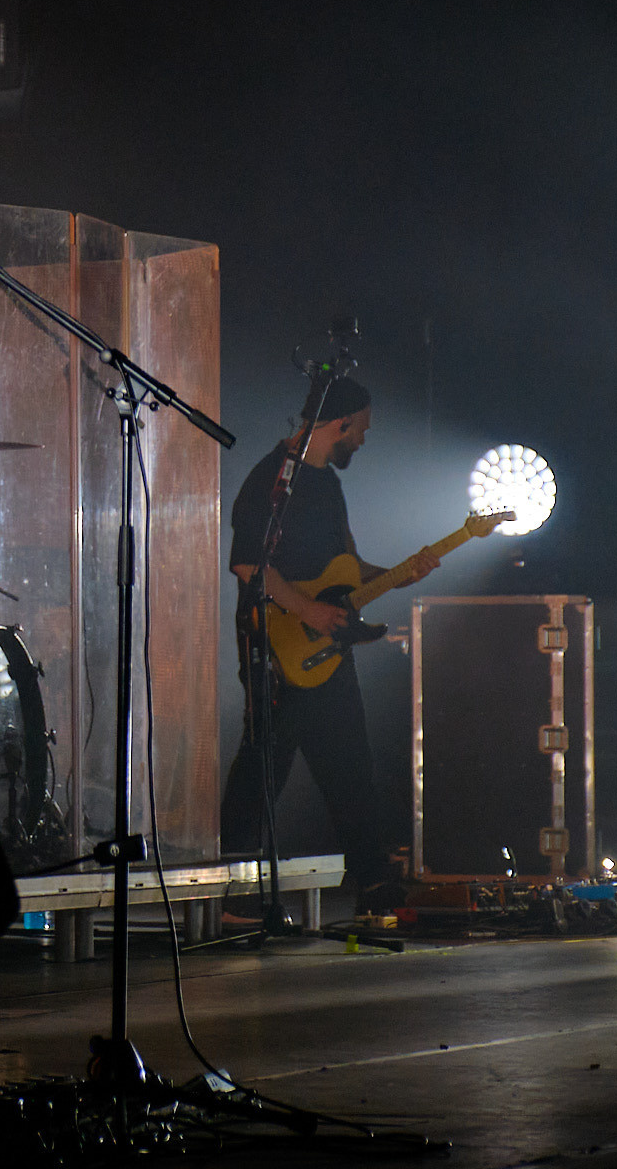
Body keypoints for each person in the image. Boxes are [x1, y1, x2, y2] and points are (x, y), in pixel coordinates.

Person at [219, 379, 437, 894]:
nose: (362, 441)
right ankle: (229, 891)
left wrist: (399, 573)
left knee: (350, 769)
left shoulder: (328, 486)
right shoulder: (273, 480)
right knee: (262, 770)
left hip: (326, 649)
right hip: (277, 645)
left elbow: (345, 568)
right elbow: (249, 564)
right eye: (360, 430)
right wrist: (306, 611)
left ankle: (373, 882)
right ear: (339, 424)